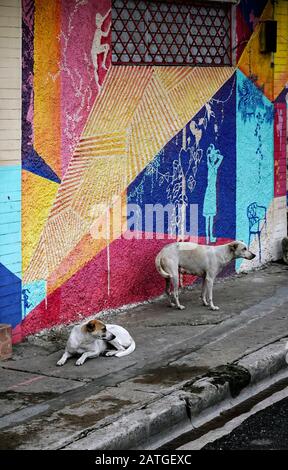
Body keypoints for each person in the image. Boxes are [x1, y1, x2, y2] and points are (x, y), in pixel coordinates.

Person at [203, 144, 224, 244]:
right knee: (208, 218)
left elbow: (221, 157)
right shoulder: (211, 167)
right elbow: (219, 158)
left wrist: (214, 152)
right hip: (210, 193)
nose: (214, 158)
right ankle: (208, 237)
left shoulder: (214, 167)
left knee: (210, 218)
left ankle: (209, 237)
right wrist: (211, 153)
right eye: (212, 157)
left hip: (211, 192)